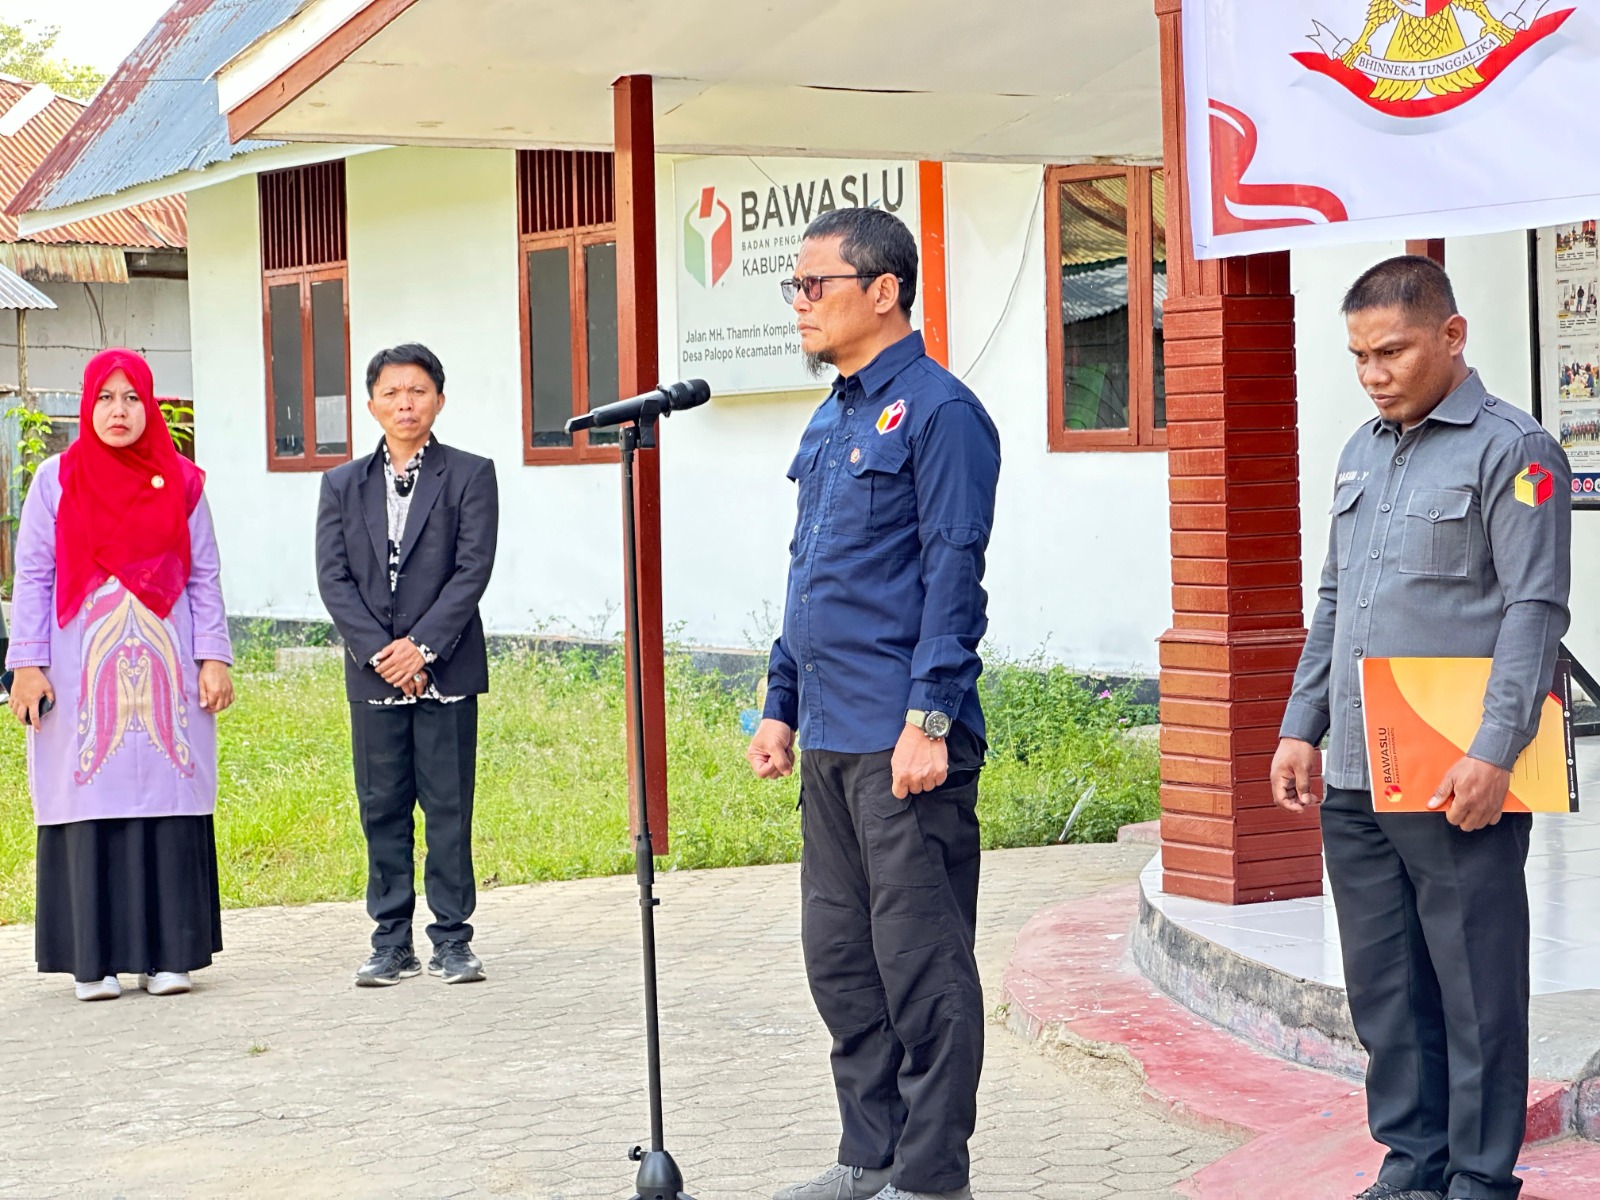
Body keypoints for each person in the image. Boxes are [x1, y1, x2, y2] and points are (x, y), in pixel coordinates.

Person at [1271, 256, 1571, 1200]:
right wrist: (1300, 724)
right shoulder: (1360, 450)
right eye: (1358, 355)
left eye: (1391, 351)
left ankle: (1480, 1177)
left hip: (1455, 771)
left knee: (1474, 986)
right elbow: (1335, 599)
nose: (1373, 373)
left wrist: (1495, 750)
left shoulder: (1516, 452)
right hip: (1359, 766)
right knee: (1387, 988)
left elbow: (1535, 610)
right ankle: (1412, 1163)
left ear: (1452, 335)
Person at [747, 208, 1001, 1200]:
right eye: (795, 290)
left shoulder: (939, 413)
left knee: (922, 969)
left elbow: (953, 573)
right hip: (831, 737)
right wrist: (779, 701)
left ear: (882, 289)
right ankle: (871, 1155)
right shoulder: (834, 415)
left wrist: (928, 718)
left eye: (816, 286)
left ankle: (932, 1175)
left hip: (906, 741)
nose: (800, 306)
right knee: (841, 961)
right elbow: (810, 576)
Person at [6, 348, 234, 1002]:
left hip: (166, 673)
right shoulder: (56, 479)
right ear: (86, 404)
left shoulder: (184, 482)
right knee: (86, 798)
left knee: (167, 797)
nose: (118, 410)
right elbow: (34, 576)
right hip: (79, 674)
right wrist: (26, 664)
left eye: (131, 397)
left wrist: (213, 657)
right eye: (105, 397)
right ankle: (92, 962)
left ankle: (169, 957)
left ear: (151, 405)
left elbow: (204, 578)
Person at [316, 342, 498, 988]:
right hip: (374, 676)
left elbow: (471, 571)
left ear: (439, 400)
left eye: (417, 391)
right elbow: (334, 581)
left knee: (449, 809)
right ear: (371, 405)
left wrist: (420, 649)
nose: (405, 403)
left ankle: (452, 938)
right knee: (383, 810)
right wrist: (383, 655)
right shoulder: (340, 485)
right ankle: (390, 940)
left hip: (446, 670)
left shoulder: (472, 474)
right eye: (392, 392)